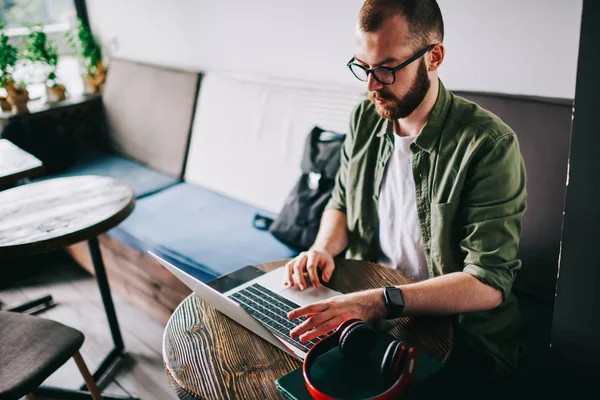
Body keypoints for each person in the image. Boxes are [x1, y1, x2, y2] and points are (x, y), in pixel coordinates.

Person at [283, 0, 527, 391]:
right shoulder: (365, 117)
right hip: (375, 312)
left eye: (386, 68)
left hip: (460, 335)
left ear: (434, 57)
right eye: (363, 67)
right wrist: (323, 248)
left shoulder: (489, 145)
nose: (371, 85)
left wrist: (378, 301)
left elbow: (489, 282)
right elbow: (341, 202)